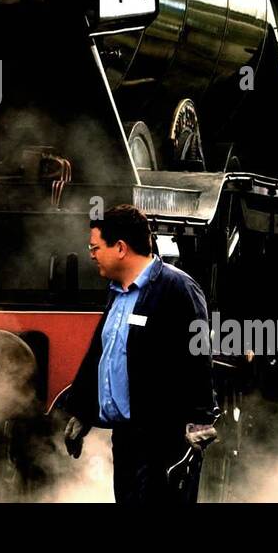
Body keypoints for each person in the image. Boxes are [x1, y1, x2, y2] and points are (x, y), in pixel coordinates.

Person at [60, 204, 218, 503]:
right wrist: (82, 412)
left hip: (164, 441)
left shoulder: (178, 288)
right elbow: (101, 353)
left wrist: (201, 421)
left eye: (95, 247)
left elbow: (198, 358)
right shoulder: (117, 292)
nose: (91, 254)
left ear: (120, 248)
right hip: (127, 438)